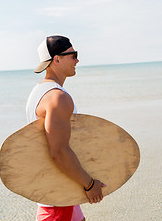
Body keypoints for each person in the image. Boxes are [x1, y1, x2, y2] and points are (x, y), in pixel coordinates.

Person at [26, 35, 106, 221]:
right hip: (58, 205)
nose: (77, 60)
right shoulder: (58, 98)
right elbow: (59, 151)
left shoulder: (38, 92)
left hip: (58, 196)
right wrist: (89, 184)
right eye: (73, 55)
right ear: (57, 59)